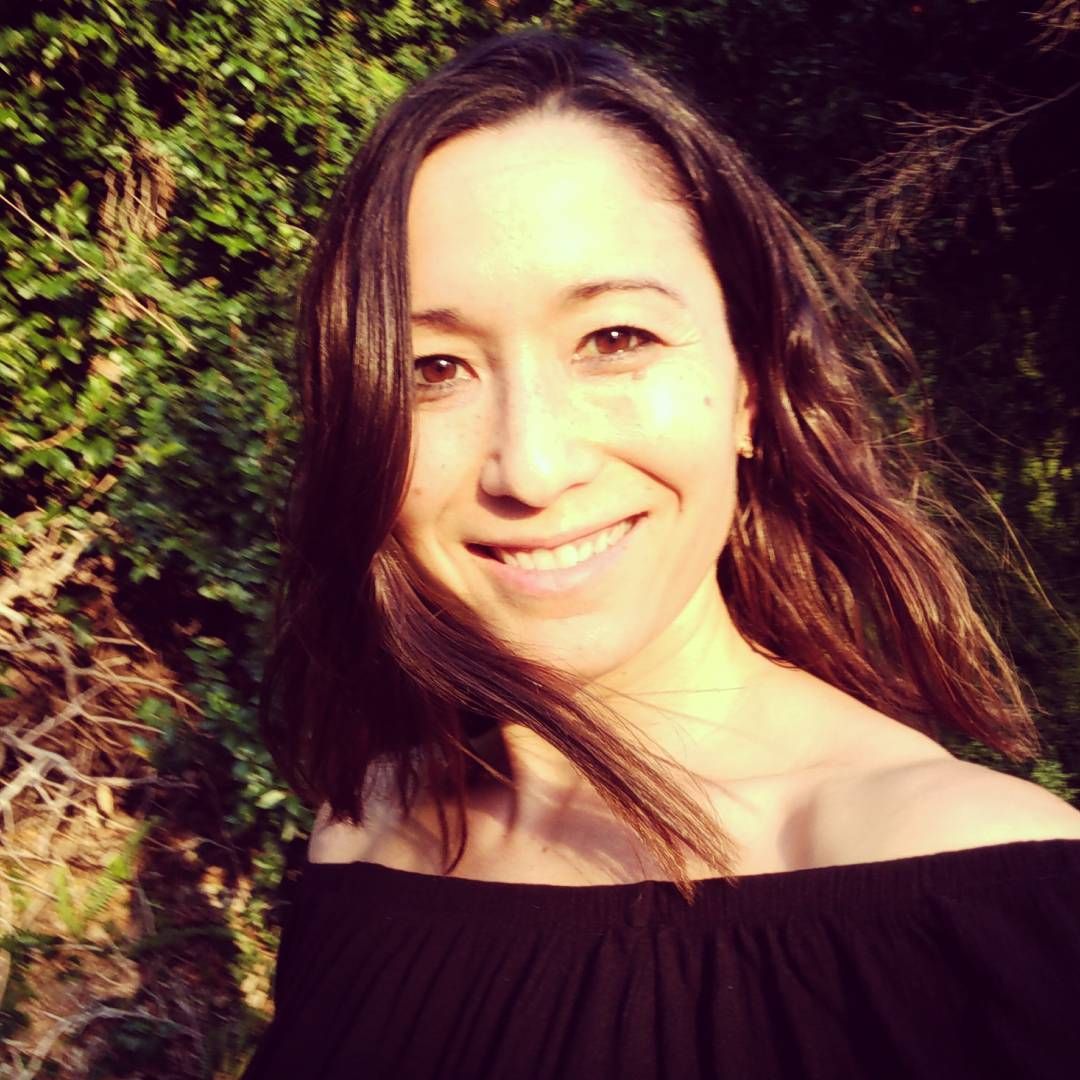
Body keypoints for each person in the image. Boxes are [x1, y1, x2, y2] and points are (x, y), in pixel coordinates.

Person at [243, 29, 1080, 1080]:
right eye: (434, 368)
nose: (531, 468)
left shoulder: (994, 899)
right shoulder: (367, 832)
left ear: (751, 386)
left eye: (616, 340)